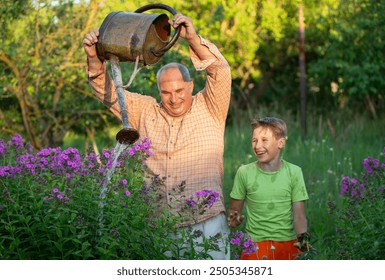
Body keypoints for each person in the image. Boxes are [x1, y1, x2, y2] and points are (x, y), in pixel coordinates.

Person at [83, 13, 231, 259]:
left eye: (179, 90)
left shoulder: (211, 106)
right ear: (158, 91)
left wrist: (191, 38)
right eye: (166, 92)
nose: (174, 98)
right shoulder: (144, 110)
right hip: (159, 227)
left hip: (207, 223)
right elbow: (106, 90)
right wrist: (93, 57)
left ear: (191, 86)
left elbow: (221, 71)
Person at [228, 116, 311, 260]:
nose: (257, 145)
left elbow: (299, 216)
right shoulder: (244, 173)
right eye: (254, 140)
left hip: (288, 244)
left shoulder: (294, 172)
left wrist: (304, 245)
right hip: (254, 246)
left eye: (264, 140)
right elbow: (234, 212)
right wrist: (233, 219)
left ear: (280, 143)